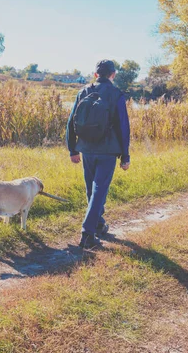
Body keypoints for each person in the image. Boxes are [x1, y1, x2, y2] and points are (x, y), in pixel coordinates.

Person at [66, 59, 131, 249]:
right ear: (113, 75)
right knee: (99, 191)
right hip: (108, 150)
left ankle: (99, 224)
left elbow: (71, 123)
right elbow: (123, 128)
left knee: (91, 190)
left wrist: (72, 149)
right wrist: (125, 156)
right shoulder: (116, 94)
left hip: (86, 149)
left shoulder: (83, 92)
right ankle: (87, 233)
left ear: (95, 74)